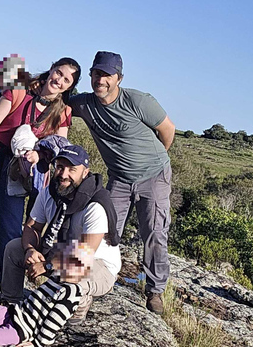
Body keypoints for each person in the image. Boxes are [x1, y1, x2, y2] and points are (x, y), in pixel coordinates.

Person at [0, 57, 81, 298]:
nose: (58, 80)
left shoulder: (63, 113)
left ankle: (8, 288)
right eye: (58, 72)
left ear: (70, 86)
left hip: (18, 170)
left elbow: (59, 148)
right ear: (50, 69)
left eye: (66, 79)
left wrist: (38, 156)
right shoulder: (19, 92)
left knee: (10, 230)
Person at [68, 51, 176, 315]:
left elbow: (167, 130)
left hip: (154, 175)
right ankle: (91, 284)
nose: (100, 79)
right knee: (103, 229)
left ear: (119, 78)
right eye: (96, 73)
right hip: (119, 178)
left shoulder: (139, 101)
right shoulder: (84, 104)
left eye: (107, 75)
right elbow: (57, 103)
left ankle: (155, 291)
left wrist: (148, 163)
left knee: (153, 232)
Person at [0, 145, 120, 323]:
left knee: (73, 277)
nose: (64, 174)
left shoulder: (95, 205)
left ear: (85, 172)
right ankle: (10, 305)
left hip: (96, 265)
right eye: (60, 167)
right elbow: (32, 227)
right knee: (14, 248)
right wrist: (30, 250)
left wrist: (47, 267)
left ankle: (82, 301)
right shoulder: (49, 193)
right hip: (61, 252)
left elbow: (84, 255)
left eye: (72, 169)